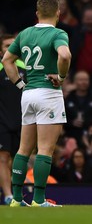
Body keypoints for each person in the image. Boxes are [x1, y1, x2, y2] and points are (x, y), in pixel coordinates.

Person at [2, 0, 71, 207]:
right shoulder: (58, 34)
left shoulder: (24, 34)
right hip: (48, 93)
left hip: (28, 93)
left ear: (37, 14)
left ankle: (16, 199)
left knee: (23, 149)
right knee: (44, 150)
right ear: (58, 13)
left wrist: (20, 85)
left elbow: (7, 60)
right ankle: (39, 200)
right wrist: (61, 77)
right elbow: (65, 55)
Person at [0, 34, 26, 205]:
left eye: (12, 45)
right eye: (6, 46)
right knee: (3, 157)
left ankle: (17, 194)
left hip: (22, 121)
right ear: (0, 50)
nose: (10, 48)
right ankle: (8, 195)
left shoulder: (25, 67)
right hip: (1, 121)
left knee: (18, 159)